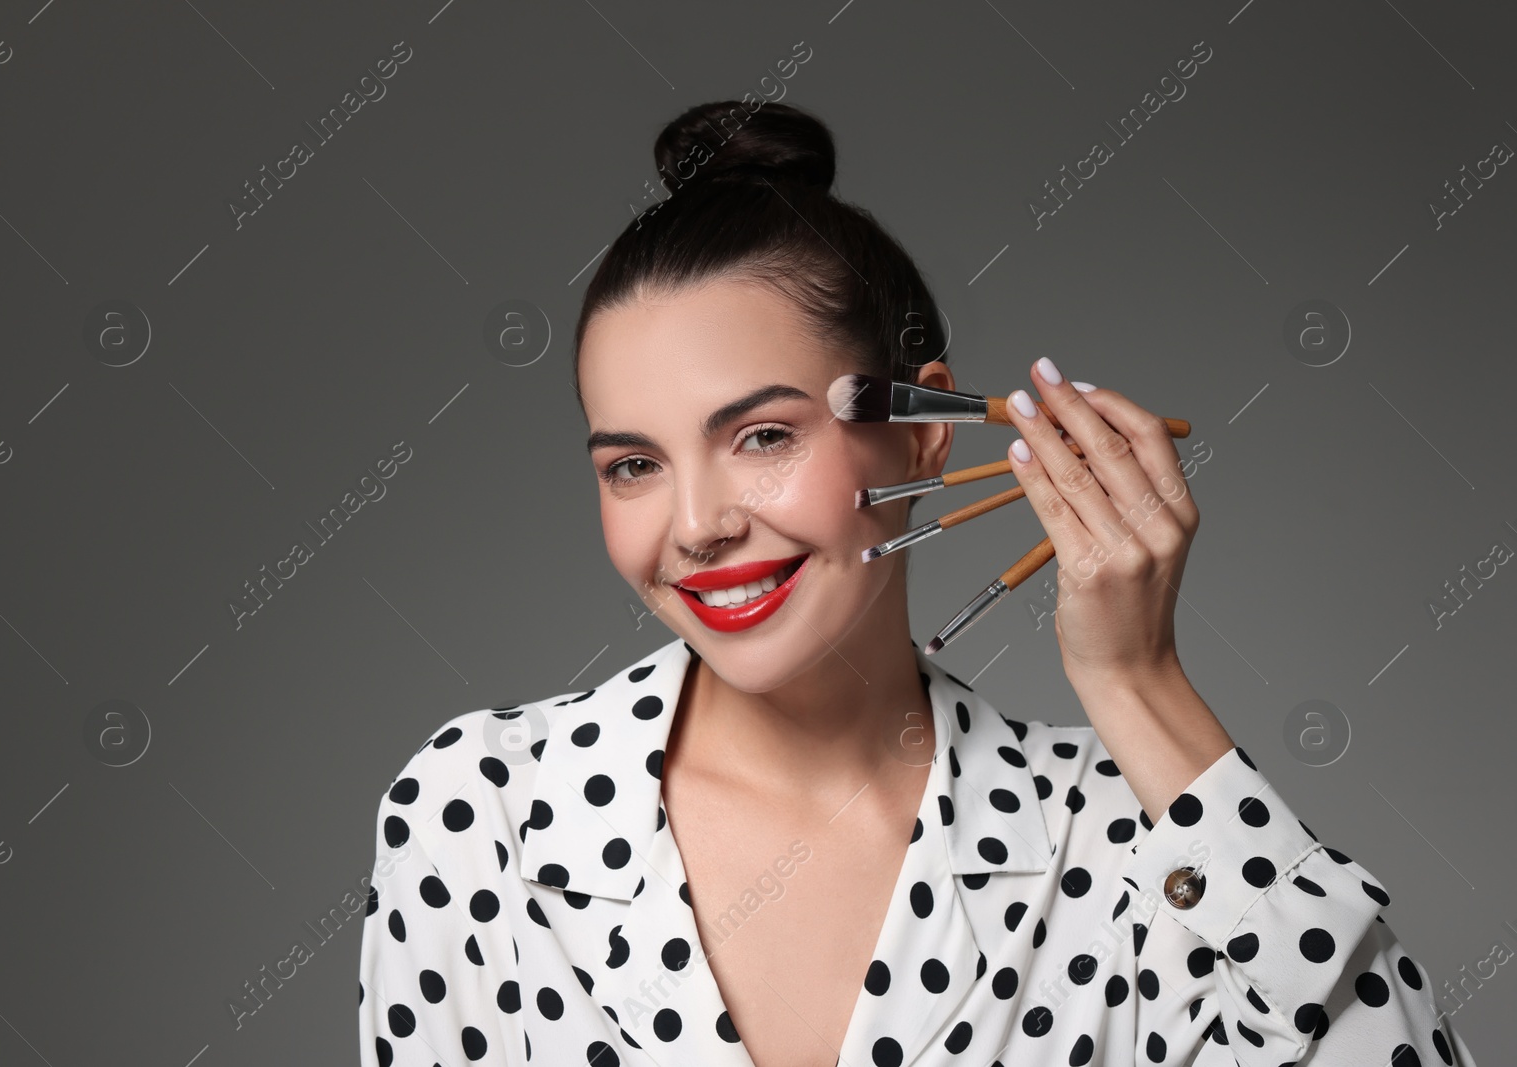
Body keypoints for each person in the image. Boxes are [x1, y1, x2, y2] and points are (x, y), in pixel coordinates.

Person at [358, 99, 1475, 1067]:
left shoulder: (1127, 842)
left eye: (761, 436)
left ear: (924, 428)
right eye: (634, 465)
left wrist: (1137, 681)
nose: (695, 525)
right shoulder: (487, 815)